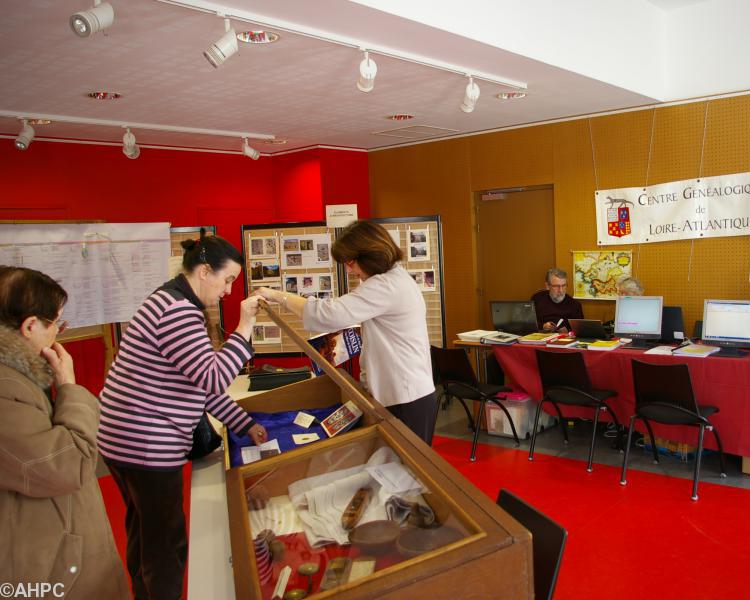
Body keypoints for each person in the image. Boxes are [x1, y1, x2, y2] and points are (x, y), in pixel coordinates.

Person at [99, 232, 268, 600]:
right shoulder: (178, 310)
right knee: (165, 548)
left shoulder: (168, 299)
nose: (228, 291)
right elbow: (212, 376)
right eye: (227, 281)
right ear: (205, 271)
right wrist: (243, 329)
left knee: (145, 535)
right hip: (145, 445)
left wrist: (244, 423)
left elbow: (198, 385)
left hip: (124, 440)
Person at [0, 266, 128, 599]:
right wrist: (69, 386)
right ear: (30, 326)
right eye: (55, 322)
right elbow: (70, 464)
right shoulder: (6, 389)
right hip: (49, 567)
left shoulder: (18, 375)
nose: (58, 332)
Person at [253, 220, 437, 445]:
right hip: (404, 394)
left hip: (407, 398)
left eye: (350, 262)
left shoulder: (386, 285)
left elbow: (327, 315)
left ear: (370, 255)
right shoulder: (393, 279)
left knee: (408, 473)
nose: (349, 270)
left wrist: (277, 296)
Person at [531, 268, 583, 333]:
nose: (561, 290)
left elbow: (580, 330)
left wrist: (568, 331)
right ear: (547, 286)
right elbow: (529, 323)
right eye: (556, 286)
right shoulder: (537, 299)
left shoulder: (574, 304)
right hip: (541, 337)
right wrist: (543, 326)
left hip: (564, 339)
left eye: (564, 285)